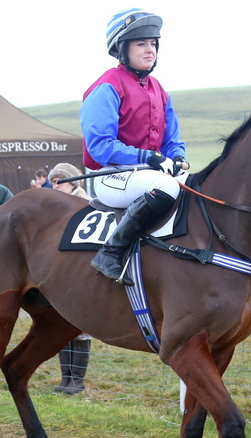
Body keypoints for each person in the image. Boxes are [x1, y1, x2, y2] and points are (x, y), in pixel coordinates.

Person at [81, 8, 188, 287]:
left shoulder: (159, 90)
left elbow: (173, 139)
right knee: (167, 188)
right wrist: (148, 157)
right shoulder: (105, 87)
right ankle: (110, 253)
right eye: (141, 43)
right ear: (121, 48)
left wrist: (178, 158)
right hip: (110, 175)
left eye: (153, 43)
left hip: (148, 174)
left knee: (197, 185)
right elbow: (100, 147)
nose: (150, 49)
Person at [49, 163, 93, 393]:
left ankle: (77, 379)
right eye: (53, 181)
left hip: (79, 273)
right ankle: (66, 378)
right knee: (62, 323)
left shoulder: (85, 205)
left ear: (73, 182)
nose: (55, 185)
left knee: (80, 327)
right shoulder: (54, 208)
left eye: (60, 181)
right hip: (61, 275)